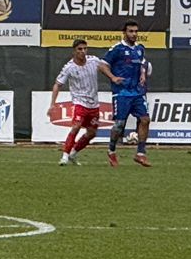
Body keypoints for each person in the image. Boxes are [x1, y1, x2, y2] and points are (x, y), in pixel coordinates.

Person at [51, 38, 115, 166]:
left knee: (92, 133)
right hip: (79, 102)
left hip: (94, 105)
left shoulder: (93, 61)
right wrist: (53, 103)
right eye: (80, 49)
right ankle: (64, 156)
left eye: (85, 48)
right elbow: (57, 84)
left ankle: (73, 153)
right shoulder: (69, 67)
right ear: (74, 51)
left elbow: (104, 67)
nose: (83, 51)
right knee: (76, 126)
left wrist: (113, 77)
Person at [105, 21, 153, 167]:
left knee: (145, 119)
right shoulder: (117, 49)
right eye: (131, 31)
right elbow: (102, 64)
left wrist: (143, 73)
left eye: (136, 31)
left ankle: (140, 153)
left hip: (138, 92)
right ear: (124, 32)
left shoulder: (140, 49)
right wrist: (112, 77)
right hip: (122, 93)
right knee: (119, 125)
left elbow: (143, 63)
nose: (134, 34)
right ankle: (111, 150)